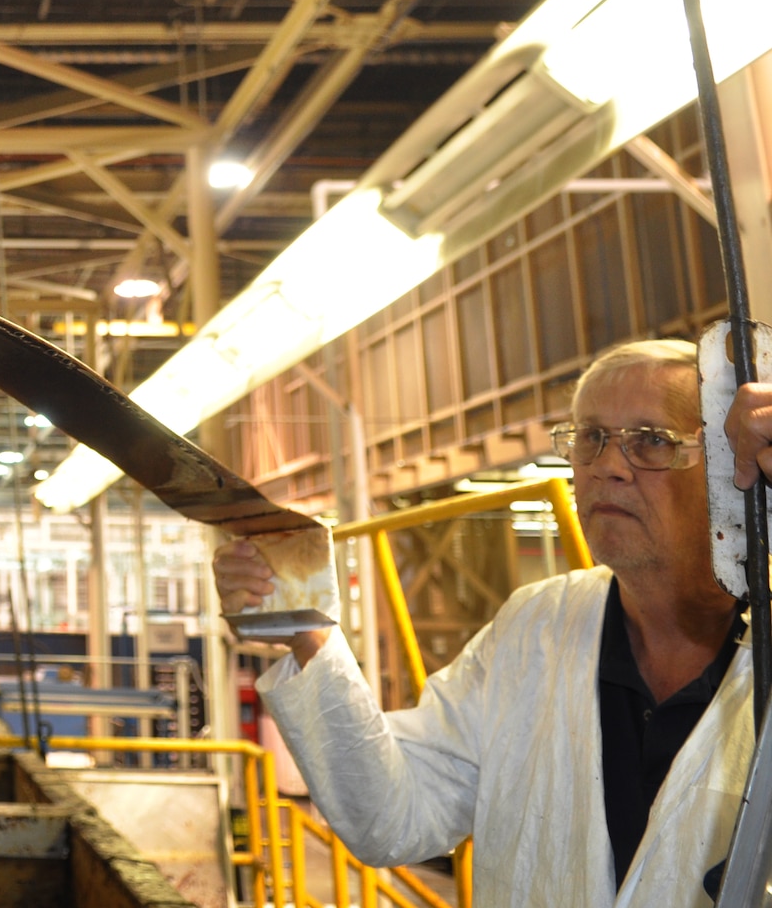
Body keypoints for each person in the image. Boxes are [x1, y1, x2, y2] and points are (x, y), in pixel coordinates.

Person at [215, 339, 772, 907]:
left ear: (731, 470)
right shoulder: (536, 627)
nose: (607, 467)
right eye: (591, 438)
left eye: (651, 441)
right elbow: (395, 814)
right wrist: (305, 631)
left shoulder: (761, 658)